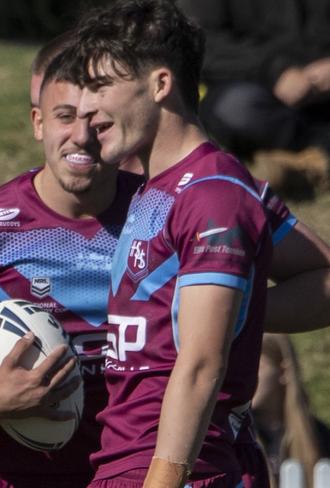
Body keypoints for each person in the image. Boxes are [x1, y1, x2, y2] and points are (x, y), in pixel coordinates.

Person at [59, 1, 273, 486]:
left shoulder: (214, 193)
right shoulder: (153, 186)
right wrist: (228, 308)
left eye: (100, 87)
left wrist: (163, 479)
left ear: (159, 84)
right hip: (127, 461)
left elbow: (200, 365)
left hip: (179, 471)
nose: (86, 109)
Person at [0, 51, 145, 487]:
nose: (81, 136)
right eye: (64, 116)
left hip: (125, 471)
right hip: (4, 476)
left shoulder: (161, 211)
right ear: (38, 122)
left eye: (99, 120)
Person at [178, 0, 330, 194]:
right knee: (236, 109)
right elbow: (203, 42)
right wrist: (276, 71)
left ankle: (308, 166)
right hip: (260, 91)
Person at [252, 333, 330, 486]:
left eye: (256, 367)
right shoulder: (238, 437)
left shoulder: (319, 437)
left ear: (283, 370)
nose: (247, 376)